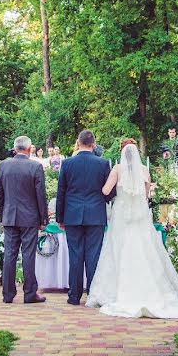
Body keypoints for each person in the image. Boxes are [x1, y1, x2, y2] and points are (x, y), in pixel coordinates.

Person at [86, 140, 178, 318]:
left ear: (122, 153)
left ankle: (116, 291)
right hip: (140, 218)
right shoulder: (144, 171)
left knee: (118, 251)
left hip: (122, 217)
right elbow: (145, 196)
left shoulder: (117, 170)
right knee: (145, 251)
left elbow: (106, 190)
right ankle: (149, 287)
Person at [56, 130, 113, 305]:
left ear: (78, 143)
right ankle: (93, 295)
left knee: (75, 255)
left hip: (72, 215)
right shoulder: (103, 164)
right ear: (93, 144)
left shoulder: (67, 163)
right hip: (95, 215)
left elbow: (61, 192)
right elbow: (109, 193)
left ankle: (74, 296)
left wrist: (60, 218)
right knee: (93, 255)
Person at [0, 136, 49, 304]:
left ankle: (8, 294)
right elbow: (41, 195)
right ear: (28, 149)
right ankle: (29, 293)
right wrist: (43, 219)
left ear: (15, 148)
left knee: (10, 255)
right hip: (30, 217)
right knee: (28, 255)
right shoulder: (35, 166)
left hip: (10, 216)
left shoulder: (3, 165)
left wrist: (2, 214)